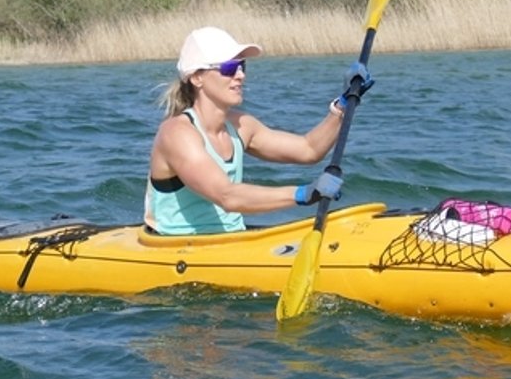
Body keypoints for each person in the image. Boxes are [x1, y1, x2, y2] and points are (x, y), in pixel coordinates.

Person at [144, 26, 373, 235]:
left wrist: (343, 105)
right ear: (197, 78)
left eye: (242, 66)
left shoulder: (242, 126)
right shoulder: (177, 134)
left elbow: (309, 149)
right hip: (177, 247)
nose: (240, 75)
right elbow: (227, 196)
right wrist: (303, 194)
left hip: (231, 240)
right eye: (229, 67)